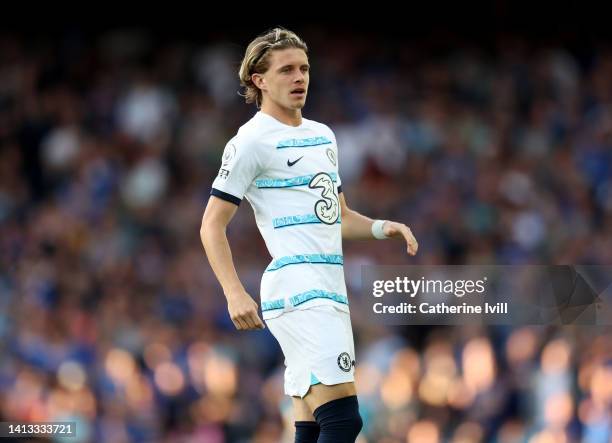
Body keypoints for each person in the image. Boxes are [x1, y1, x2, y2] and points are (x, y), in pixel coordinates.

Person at [200, 27, 418, 443]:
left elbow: (337, 216)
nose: (299, 78)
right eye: (286, 70)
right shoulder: (250, 142)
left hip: (327, 286)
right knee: (345, 420)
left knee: (312, 422)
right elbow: (211, 224)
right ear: (259, 81)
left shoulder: (323, 136)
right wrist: (233, 291)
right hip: (299, 288)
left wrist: (378, 227)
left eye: (304, 68)